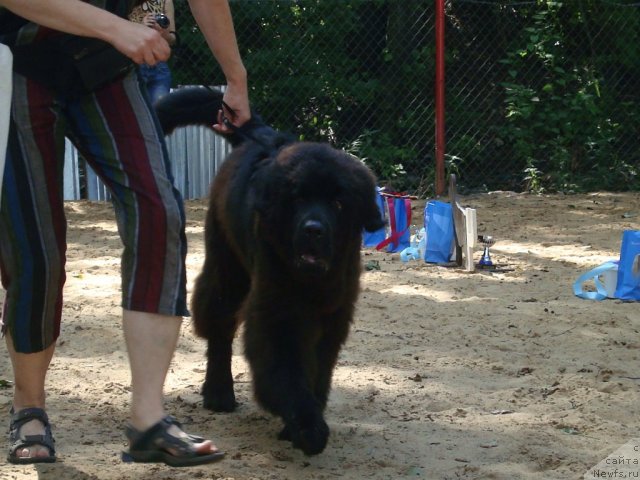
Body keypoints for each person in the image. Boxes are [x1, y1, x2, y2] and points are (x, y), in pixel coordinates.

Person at [0, 0, 250, 467]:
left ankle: (148, 421)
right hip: (17, 60)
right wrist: (116, 27)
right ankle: (28, 406)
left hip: (105, 67)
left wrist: (232, 75)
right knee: (36, 248)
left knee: (160, 214)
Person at [129, 0, 176, 104]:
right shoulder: (122, 3)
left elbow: (172, 39)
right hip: (132, 65)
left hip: (158, 65)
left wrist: (161, 32)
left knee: (160, 110)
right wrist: (141, 26)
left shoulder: (165, 2)